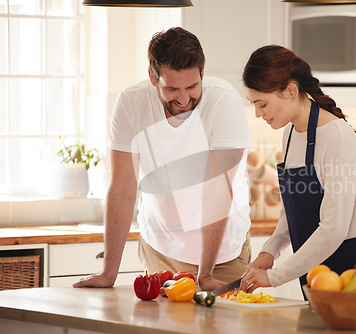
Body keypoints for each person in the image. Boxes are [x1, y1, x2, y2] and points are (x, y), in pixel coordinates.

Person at [73, 27, 253, 291]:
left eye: (192, 86)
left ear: (203, 71)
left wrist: (204, 275)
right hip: (160, 250)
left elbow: (216, 190)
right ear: (152, 77)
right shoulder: (131, 104)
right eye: (171, 89)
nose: (183, 99)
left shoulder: (223, 101)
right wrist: (108, 273)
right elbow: (122, 191)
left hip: (224, 255)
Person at [240, 45, 356, 295]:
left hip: (355, 276)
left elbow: (333, 229)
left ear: (290, 90)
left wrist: (274, 277)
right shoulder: (290, 133)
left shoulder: (337, 136)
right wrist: (270, 250)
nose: (258, 114)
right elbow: (292, 211)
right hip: (316, 275)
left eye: (262, 104)